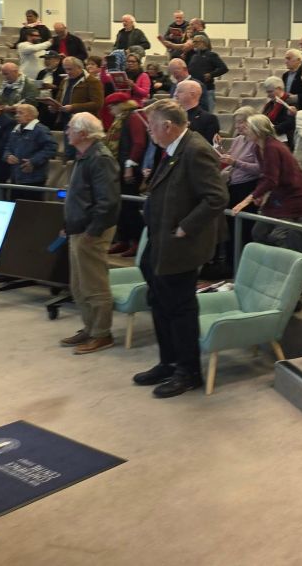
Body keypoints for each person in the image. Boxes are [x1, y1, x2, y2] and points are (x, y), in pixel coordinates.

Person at [135, 99, 228, 398]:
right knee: (160, 302)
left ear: (167, 126)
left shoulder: (196, 149)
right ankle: (169, 361)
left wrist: (186, 226)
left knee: (180, 308)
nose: (149, 131)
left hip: (181, 245)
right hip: (161, 241)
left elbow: (216, 198)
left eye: (152, 126)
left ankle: (188, 372)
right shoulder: (175, 148)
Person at [57, 112, 121, 354]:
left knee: (94, 285)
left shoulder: (100, 158)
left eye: (71, 128)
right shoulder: (84, 155)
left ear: (83, 133)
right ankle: (89, 327)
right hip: (79, 229)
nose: (66, 131)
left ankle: (102, 334)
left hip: (92, 232)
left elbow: (108, 202)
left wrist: (92, 232)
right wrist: (69, 224)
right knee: (79, 285)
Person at [231, 113, 302, 236]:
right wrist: (260, 195)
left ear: (258, 131)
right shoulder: (258, 148)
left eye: (248, 128)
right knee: (258, 232)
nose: (244, 131)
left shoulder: (272, 147)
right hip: (277, 197)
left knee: (277, 237)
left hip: (292, 198)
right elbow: (264, 175)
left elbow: (270, 180)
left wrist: (247, 200)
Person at [104, 93, 148, 258]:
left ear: (121, 105)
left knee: (130, 207)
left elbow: (139, 143)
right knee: (120, 206)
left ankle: (136, 241)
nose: (110, 110)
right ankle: (124, 239)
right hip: (118, 167)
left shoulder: (134, 117)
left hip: (130, 169)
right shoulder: (121, 119)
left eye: (112, 106)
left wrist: (130, 165)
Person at [217, 107, 262, 258]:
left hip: (248, 188)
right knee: (231, 226)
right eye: (236, 123)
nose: (236, 126)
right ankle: (231, 262)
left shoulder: (257, 142)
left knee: (245, 229)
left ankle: (244, 260)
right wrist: (220, 150)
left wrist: (235, 162)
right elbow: (232, 160)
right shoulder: (237, 139)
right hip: (233, 187)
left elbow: (260, 169)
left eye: (240, 122)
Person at [3, 102, 56, 199]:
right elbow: (7, 147)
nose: (16, 115)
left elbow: (51, 148)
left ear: (31, 116)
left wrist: (33, 161)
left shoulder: (41, 130)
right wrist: (7, 156)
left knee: (31, 210)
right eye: (16, 113)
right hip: (16, 177)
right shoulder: (15, 130)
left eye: (20, 113)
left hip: (34, 178)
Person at [186, 33, 227, 112]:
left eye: (195, 42)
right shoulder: (194, 56)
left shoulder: (211, 55)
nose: (193, 44)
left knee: (207, 113)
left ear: (202, 42)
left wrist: (211, 74)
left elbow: (223, 68)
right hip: (194, 90)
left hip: (207, 89)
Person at [173, 79, 219, 145]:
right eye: (175, 91)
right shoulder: (170, 115)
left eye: (179, 91)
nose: (175, 94)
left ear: (192, 94)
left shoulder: (209, 119)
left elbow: (208, 148)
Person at [261, 76, 296, 148]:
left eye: (270, 91)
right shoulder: (270, 104)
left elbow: (291, 123)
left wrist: (271, 130)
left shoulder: (291, 101)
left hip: (285, 141)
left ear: (279, 89)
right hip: (271, 139)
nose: (268, 95)